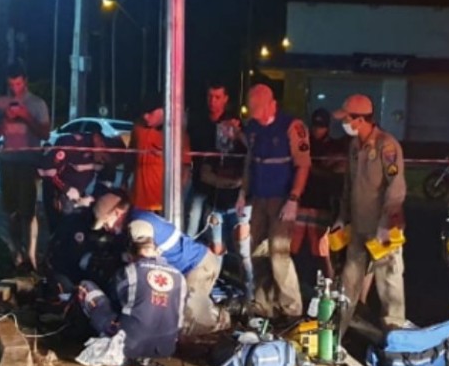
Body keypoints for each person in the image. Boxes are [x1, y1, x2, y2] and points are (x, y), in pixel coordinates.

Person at [237, 83, 311, 326]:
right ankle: (263, 305)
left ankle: (291, 308)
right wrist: (242, 193)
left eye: (259, 109)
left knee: (279, 255)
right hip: (259, 198)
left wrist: (293, 199)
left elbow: (303, 165)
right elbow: (250, 163)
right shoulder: (254, 128)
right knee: (257, 251)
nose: (256, 114)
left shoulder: (292, 127)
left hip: (282, 200)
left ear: (271, 104)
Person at [333, 94, 407, 333]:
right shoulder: (355, 147)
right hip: (359, 227)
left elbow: (396, 187)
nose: (344, 123)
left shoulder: (386, 145)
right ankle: (338, 332)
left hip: (384, 229)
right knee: (349, 281)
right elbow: (348, 186)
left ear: (360, 119)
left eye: (346, 119)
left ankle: (395, 336)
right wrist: (341, 219)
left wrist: (387, 221)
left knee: (389, 283)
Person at [127, 212, 233, 336]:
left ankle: (223, 317)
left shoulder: (139, 226)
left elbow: (146, 257)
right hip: (190, 267)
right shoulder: (140, 220)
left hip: (197, 266)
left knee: (187, 319)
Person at [0, 62, 51, 273]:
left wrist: (26, 117)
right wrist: (5, 118)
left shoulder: (37, 104)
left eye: (18, 83)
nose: (15, 88)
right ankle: (16, 252)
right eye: (11, 84)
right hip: (8, 162)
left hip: (29, 163)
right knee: (11, 212)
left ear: (25, 81)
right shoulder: (1, 103)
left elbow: (45, 134)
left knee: (29, 212)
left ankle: (31, 255)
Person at [293, 107, 348, 285]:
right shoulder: (304, 143)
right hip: (303, 200)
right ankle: (292, 285)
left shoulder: (334, 147)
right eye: (315, 126)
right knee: (292, 248)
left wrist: (313, 169)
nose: (317, 130)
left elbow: (338, 173)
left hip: (323, 203)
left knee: (322, 251)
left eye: (321, 126)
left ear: (328, 127)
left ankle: (329, 287)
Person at [186, 82, 246, 242]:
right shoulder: (198, 120)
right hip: (200, 179)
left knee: (222, 231)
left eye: (217, 97)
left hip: (222, 184)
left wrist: (237, 133)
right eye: (210, 96)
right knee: (192, 220)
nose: (213, 101)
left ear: (225, 99)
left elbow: (245, 150)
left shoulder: (233, 122)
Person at [127, 96, 191, 213]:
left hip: (163, 205)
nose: (145, 116)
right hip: (137, 201)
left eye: (150, 112)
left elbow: (185, 169)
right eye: (143, 113)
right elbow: (130, 157)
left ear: (163, 110)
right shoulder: (138, 128)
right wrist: (124, 180)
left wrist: (176, 196)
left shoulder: (178, 134)